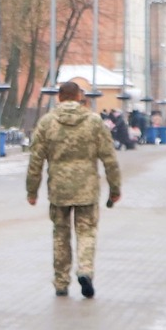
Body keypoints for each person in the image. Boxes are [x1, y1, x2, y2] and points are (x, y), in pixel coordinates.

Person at [26, 79, 123, 298]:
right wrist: (114, 188)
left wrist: (32, 191)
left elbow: (35, 160)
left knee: (60, 234)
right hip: (87, 188)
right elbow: (109, 158)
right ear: (80, 97)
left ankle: (61, 282)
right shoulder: (94, 122)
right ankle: (85, 270)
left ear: (59, 97)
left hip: (58, 189)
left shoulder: (47, 122)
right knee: (86, 231)